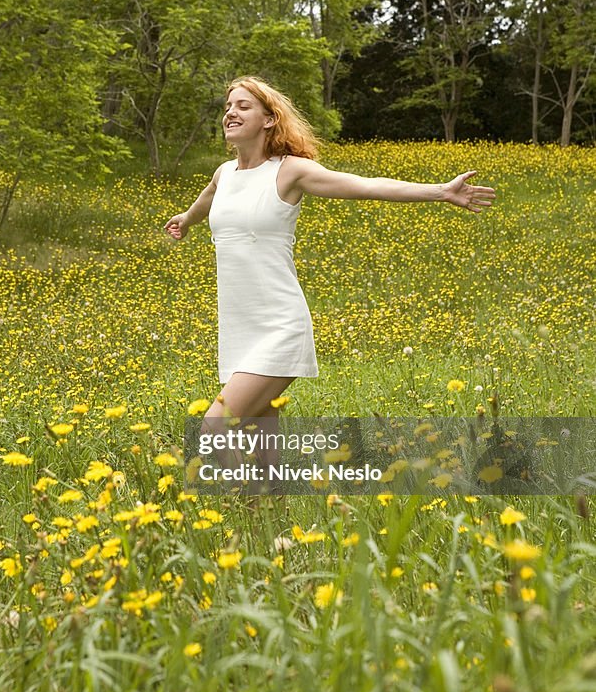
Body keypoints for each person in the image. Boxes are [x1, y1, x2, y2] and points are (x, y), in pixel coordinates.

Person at [164, 75, 496, 428]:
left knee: (215, 426)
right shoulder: (224, 174)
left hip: (279, 325)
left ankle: (227, 487)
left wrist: (441, 191)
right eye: (228, 106)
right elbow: (207, 201)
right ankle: (267, 487)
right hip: (240, 326)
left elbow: (366, 186)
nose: (230, 112)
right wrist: (186, 220)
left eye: (243, 106)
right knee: (258, 442)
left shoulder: (290, 171)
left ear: (269, 119)